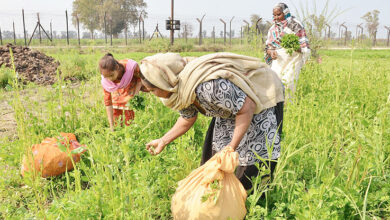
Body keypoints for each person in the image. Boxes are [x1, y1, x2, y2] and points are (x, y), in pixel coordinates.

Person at [140, 52, 284, 190]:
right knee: (217, 164)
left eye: (152, 90)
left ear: (164, 83)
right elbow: (187, 118)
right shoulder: (181, 92)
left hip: (259, 101)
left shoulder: (208, 86)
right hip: (232, 109)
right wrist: (163, 140)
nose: (153, 95)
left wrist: (231, 148)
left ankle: (252, 206)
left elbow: (247, 108)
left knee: (250, 165)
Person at [265, 3, 310, 96]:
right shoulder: (273, 29)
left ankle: (288, 106)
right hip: (278, 60)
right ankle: (276, 107)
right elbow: (268, 47)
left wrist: (293, 47)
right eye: (274, 15)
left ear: (285, 13)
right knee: (274, 83)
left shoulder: (295, 25)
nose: (276, 17)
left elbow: (303, 46)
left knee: (289, 84)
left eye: (279, 14)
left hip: (293, 60)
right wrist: (271, 52)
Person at [99, 53, 142, 130]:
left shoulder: (130, 68)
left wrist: (136, 94)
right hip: (117, 94)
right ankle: (118, 132)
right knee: (116, 118)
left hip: (129, 88)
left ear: (117, 68)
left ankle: (130, 133)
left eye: (111, 75)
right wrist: (111, 125)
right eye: (106, 77)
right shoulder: (106, 81)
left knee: (129, 118)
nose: (109, 79)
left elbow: (140, 79)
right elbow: (108, 101)